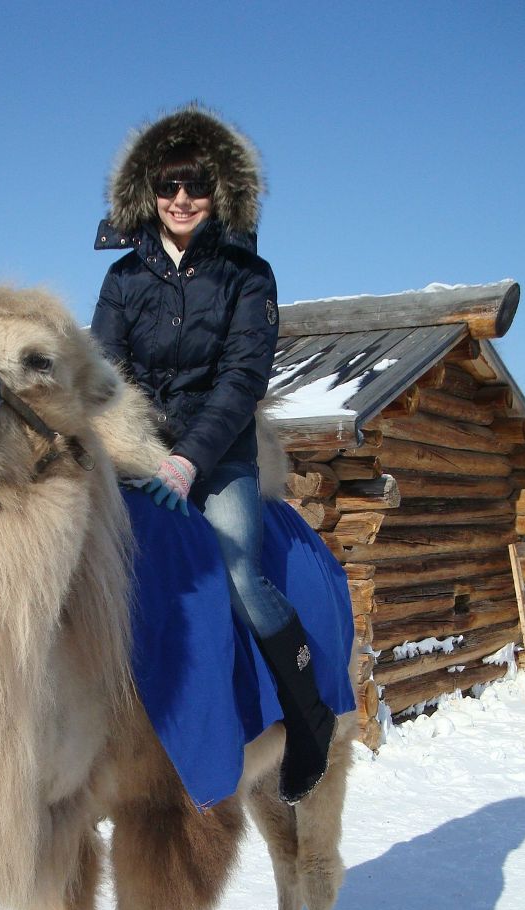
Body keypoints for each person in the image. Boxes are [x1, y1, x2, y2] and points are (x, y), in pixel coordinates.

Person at [91, 105, 335, 805]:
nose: (181, 200)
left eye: (195, 185)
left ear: (218, 191)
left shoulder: (247, 275)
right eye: (168, 186)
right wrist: (133, 450)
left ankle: (308, 718)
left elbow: (242, 379)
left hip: (220, 458)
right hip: (140, 459)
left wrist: (190, 459)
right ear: (148, 192)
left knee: (237, 577)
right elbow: (106, 370)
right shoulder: (122, 281)